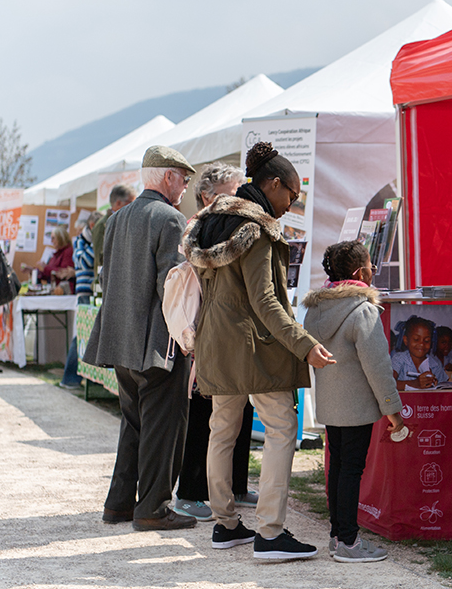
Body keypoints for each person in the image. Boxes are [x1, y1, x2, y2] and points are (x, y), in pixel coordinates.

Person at [183, 141, 335, 559]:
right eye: (292, 194)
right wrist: (305, 346)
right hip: (251, 345)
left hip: (214, 342)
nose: (292, 203)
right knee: (283, 427)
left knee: (222, 429)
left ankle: (225, 524)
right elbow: (265, 302)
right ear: (272, 184)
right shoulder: (258, 230)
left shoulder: (209, 222)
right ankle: (270, 532)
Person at [83, 145, 197, 531]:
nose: (185, 186)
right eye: (183, 178)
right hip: (157, 341)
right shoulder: (170, 219)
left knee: (132, 423)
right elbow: (175, 286)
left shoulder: (116, 219)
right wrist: (188, 336)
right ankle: (153, 507)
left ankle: (119, 504)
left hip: (119, 338)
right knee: (164, 425)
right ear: (167, 177)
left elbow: (107, 278)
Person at [303, 240, 404, 562]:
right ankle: (348, 541)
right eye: (372, 265)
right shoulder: (363, 311)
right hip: (358, 406)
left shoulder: (317, 310)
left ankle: (338, 535)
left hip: (331, 405)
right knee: (351, 471)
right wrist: (394, 411)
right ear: (361, 272)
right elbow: (378, 367)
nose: (374, 270)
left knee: (339, 469)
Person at [173, 162, 258, 522]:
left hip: (238, 329)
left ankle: (235, 484)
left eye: (240, 191)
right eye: (230, 191)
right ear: (207, 195)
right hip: (208, 329)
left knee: (242, 408)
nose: (237, 199)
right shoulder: (198, 230)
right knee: (205, 413)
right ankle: (190, 491)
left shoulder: (233, 226)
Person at [60, 210, 103, 389]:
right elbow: (85, 261)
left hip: (94, 293)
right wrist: (97, 242)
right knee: (81, 336)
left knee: (88, 336)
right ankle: (70, 378)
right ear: (93, 226)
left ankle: (89, 378)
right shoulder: (80, 241)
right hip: (84, 293)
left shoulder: (86, 241)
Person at [92, 184, 137, 283]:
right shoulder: (102, 225)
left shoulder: (128, 222)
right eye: (132, 203)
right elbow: (100, 258)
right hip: (107, 283)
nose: (134, 208)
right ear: (118, 203)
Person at [391, 317, 448, 390]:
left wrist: (436, 383)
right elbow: (388, 384)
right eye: (416, 339)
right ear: (406, 340)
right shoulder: (399, 359)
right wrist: (414, 383)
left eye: (427, 341)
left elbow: (444, 386)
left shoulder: (435, 363)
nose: (421, 344)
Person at [34, 226, 75, 293]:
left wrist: (46, 267)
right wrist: (35, 271)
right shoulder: (56, 254)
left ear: (60, 238)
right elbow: (49, 274)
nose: (51, 241)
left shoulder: (68, 252)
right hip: (55, 289)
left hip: (63, 291)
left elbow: (63, 272)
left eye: (53, 238)